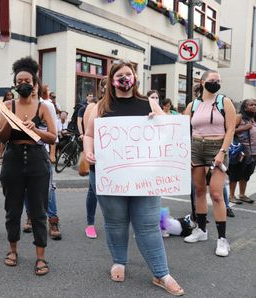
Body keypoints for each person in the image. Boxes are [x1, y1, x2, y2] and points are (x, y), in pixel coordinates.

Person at [84, 60, 184, 296]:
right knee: (115, 223)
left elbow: (170, 131)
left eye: (129, 74)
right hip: (110, 177)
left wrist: (157, 115)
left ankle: (162, 274)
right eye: (120, 75)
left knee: (148, 226)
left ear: (136, 78)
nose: (125, 79)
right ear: (111, 80)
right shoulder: (100, 107)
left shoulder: (147, 104)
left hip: (145, 179)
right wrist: (88, 151)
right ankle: (119, 261)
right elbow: (88, 134)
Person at [0, 56, 56, 275]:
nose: (24, 83)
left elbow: (52, 137)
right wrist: (9, 121)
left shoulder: (43, 107)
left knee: (38, 211)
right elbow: (1, 137)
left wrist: (35, 130)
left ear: (34, 84)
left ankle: (40, 257)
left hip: (36, 160)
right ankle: (12, 250)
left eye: (28, 80)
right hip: (12, 159)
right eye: (19, 80)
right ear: (14, 84)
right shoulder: (6, 105)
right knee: (12, 210)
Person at [183, 70, 236, 258]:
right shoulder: (193, 104)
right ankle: (201, 230)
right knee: (198, 191)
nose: (216, 83)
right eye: (212, 80)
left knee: (216, 193)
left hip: (217, 147)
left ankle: (222, 239)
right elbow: (180, 126)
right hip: (196, 147)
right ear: (203, 82)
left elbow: (230, 129)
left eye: (218, 80)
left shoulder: (224, 102)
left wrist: (222, 151)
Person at [22, 81, 62, 240]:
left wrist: (52, 153)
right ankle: (30, 216)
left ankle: (53, 220)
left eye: (33, 85)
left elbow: (54, 133)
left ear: (38, 87)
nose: (30, 89)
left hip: (42, 153)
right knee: (25, 188)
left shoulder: (46, 106)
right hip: (23, 154)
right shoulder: (18, 105)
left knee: (48, 189)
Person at [82, 77, 107, 239]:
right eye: (105, 85)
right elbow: (88, 133)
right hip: (98, 157)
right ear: (102, 88)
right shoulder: (94, 106)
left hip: (115, 158)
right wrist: (88, 151)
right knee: (94, 191)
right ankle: (90, 224)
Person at [228, 99, 256, 204]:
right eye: (251, 105)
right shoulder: (239, 117)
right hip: (241, 152)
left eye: (255, 105)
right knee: (235, 173)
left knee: (246, 174)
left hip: (253, 152)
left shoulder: (254, 119)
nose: (254, 106)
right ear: (245, 107)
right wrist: (245, 127)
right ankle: (231, 195)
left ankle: (242, 194)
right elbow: (229, 130)